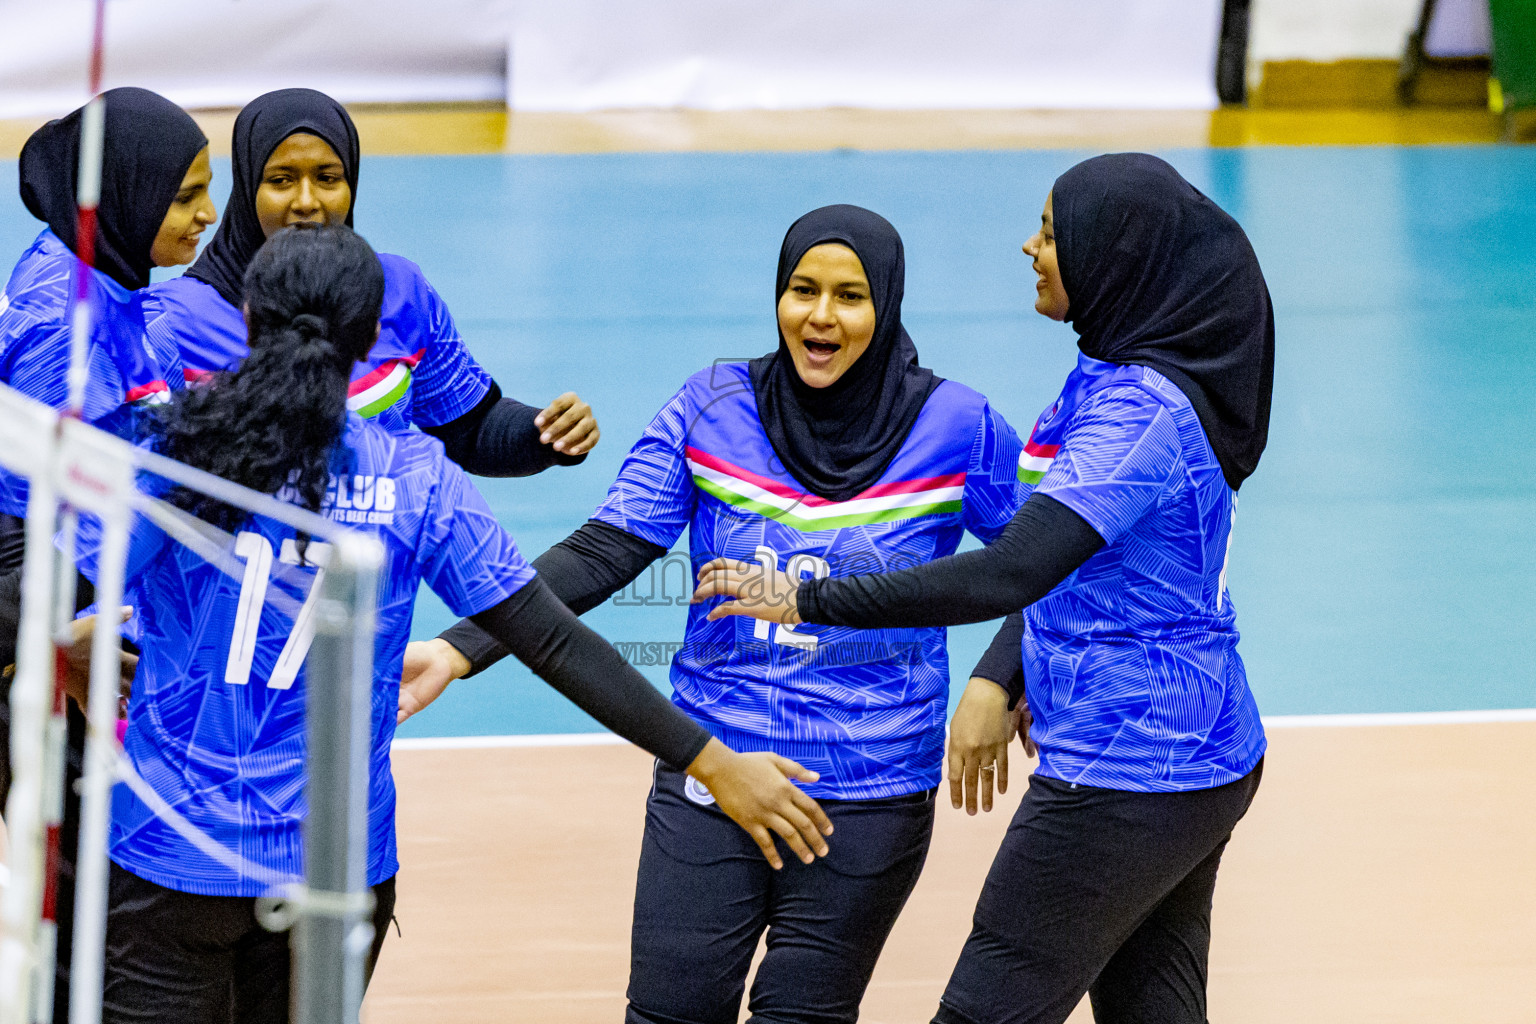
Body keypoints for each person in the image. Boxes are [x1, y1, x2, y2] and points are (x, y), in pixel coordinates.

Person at [74, 223, 831, 1024]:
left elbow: (50, 587)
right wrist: (709, 759)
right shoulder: (410, 475)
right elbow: (549, 639)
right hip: (334, 869)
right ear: (370, 341)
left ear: (250, 316)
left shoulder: (169, 446)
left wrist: (62, 642)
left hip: (167, 854)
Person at [404, 205, 1028, 1024]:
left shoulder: (959, 427)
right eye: (803, 290)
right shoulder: (711, 405)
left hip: (870, 793)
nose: (821, 316)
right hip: (713, 775)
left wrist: (995, 679)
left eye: (849, 296)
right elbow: (602, 551)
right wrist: (461, 647)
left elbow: (1048, 562)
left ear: (887, 306)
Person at [694, 154, 1274, 1024]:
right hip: (1183, 754)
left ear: (1113, 255)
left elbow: (1015, 566)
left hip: (1132, 765)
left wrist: (804, 599)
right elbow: (1059, 554)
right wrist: (1004, 674)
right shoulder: (1111, 377)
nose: (1032, 247)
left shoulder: (1139, 413)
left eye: (1052, 232)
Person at [0, 86, 214, 1023]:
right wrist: (53, 642)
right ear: (123, 196)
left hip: (64, 606)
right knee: (75, 886)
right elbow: (49, 517)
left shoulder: (105, 279)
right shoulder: (67, 327)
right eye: (187, 198)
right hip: (37, 613)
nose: (208, 216)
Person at [141, 87, 599, 481]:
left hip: (373, 579)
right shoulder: (171, 321)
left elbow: (469, 428)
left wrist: (545, 434)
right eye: (281, 180)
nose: (307, 202)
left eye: (327, 178)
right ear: (246, 188)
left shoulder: (400, 290)